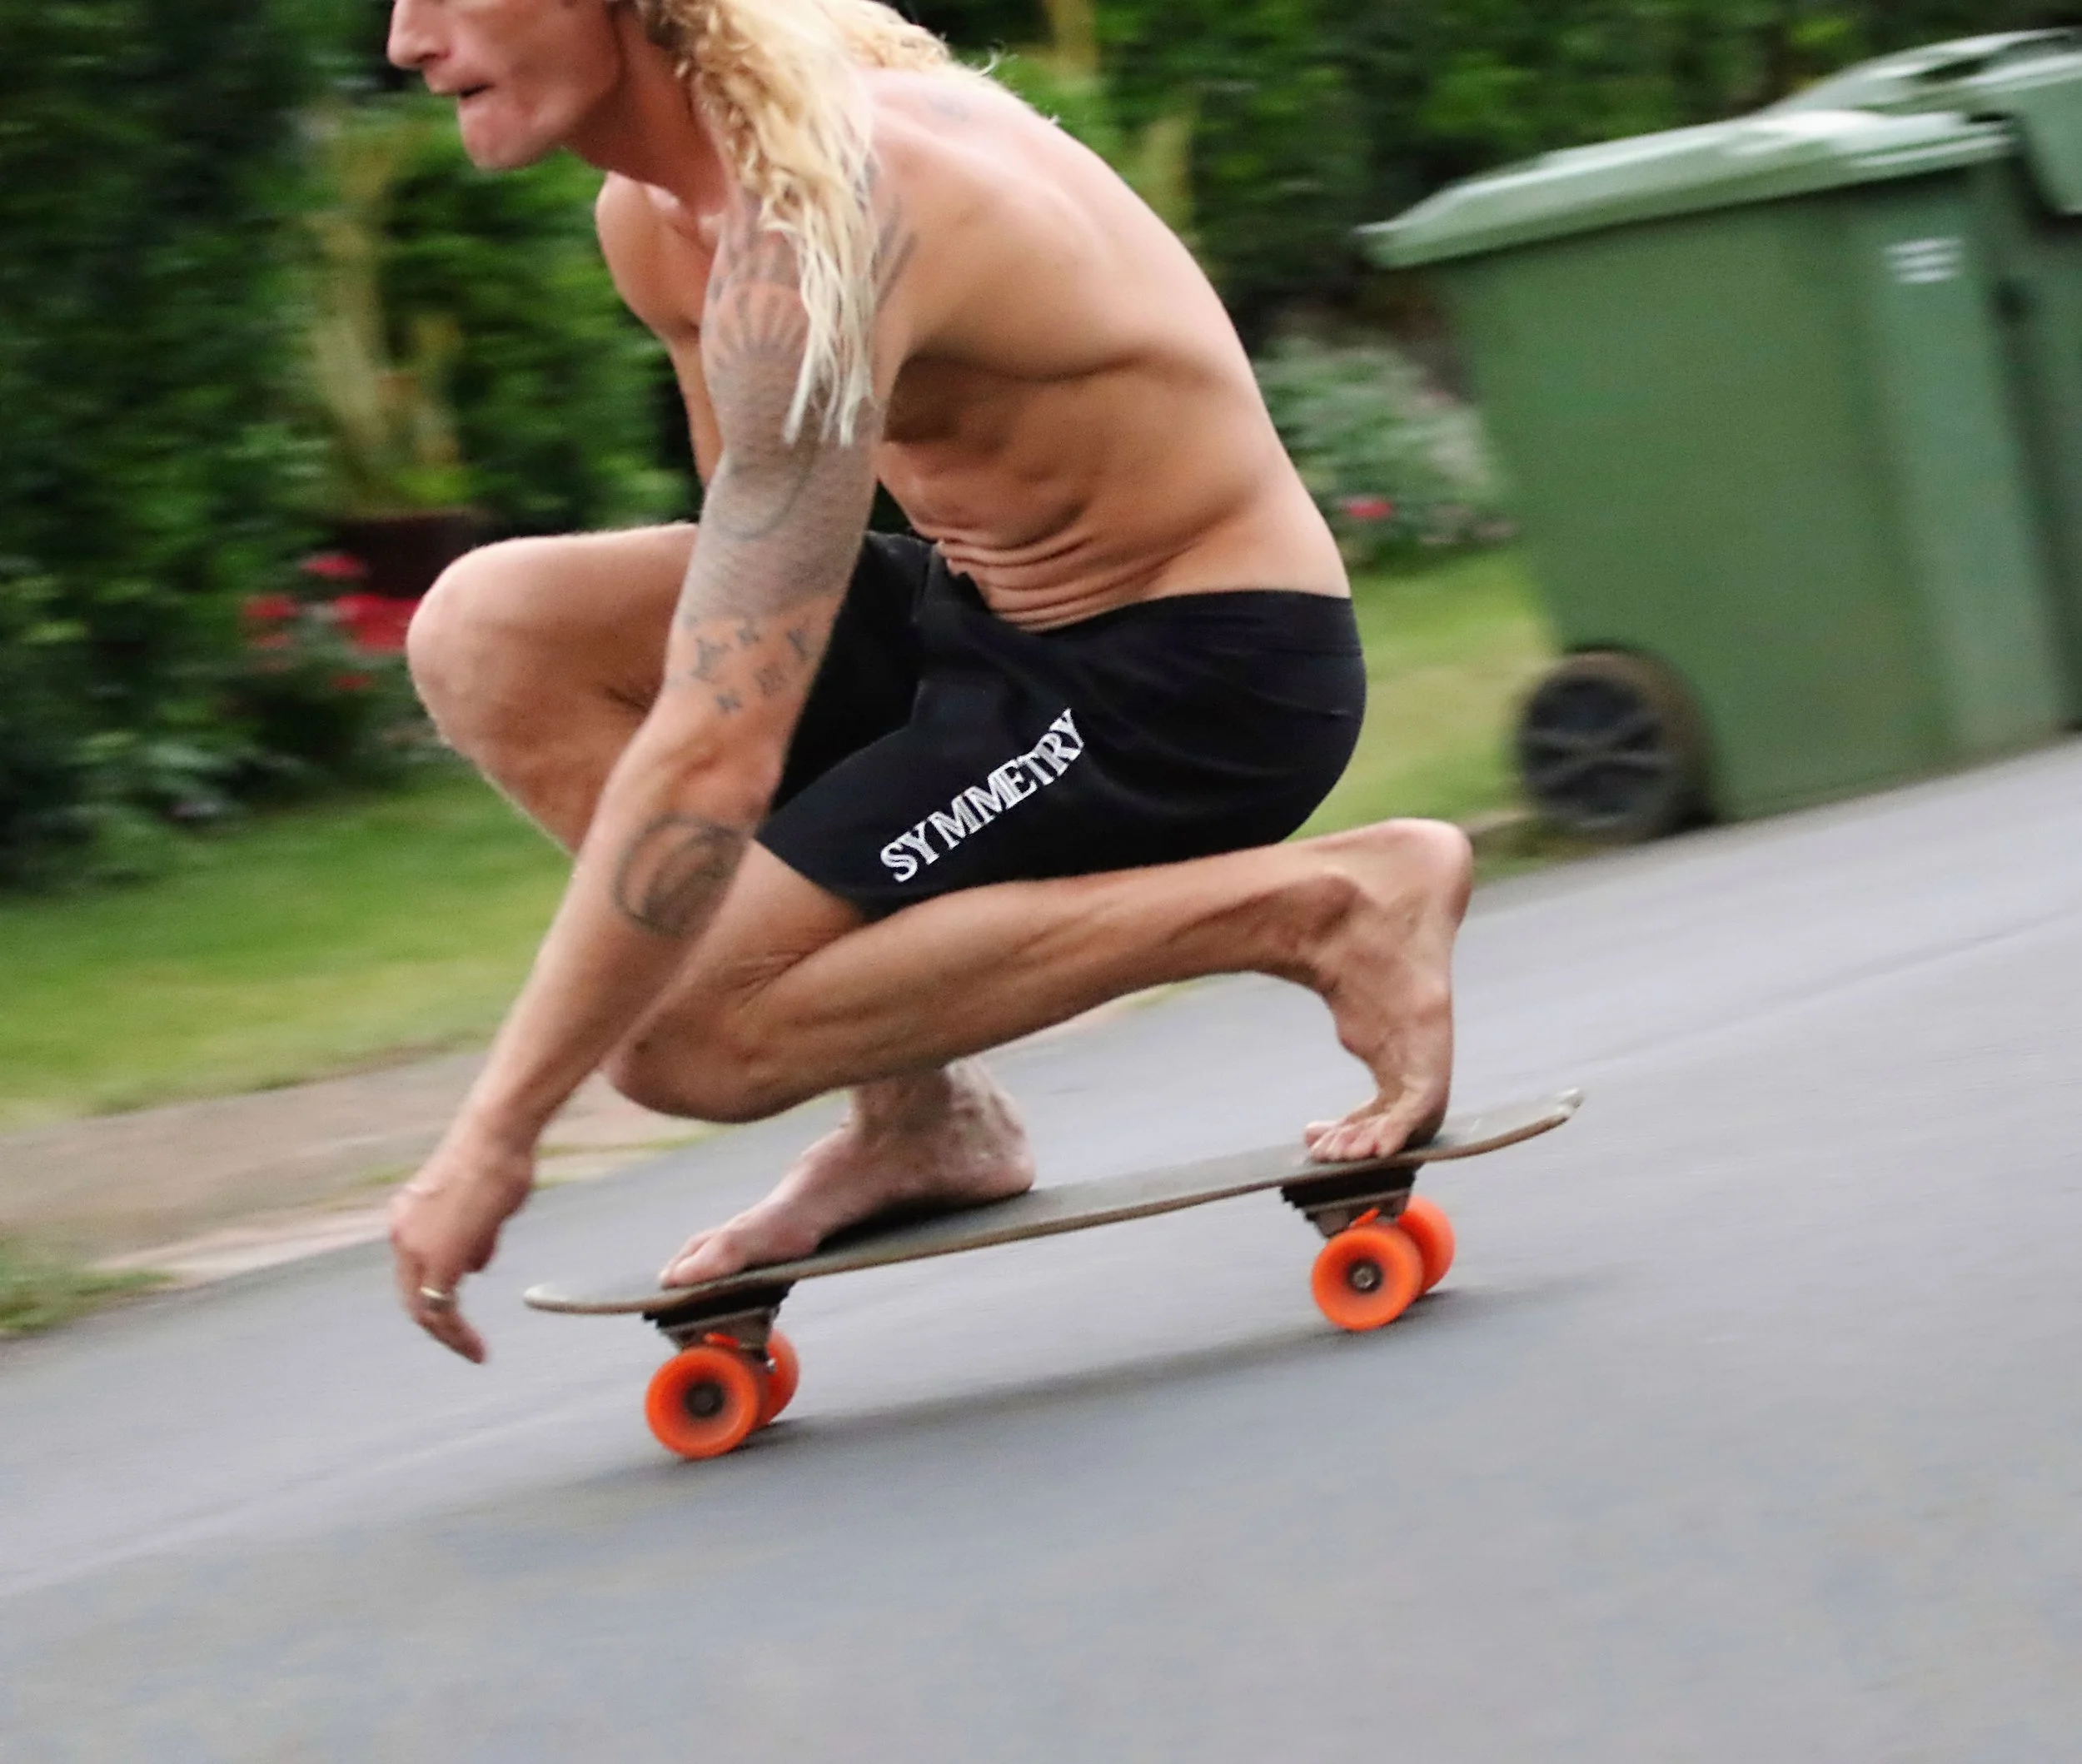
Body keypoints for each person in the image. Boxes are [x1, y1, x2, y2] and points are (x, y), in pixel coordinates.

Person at [383, 0, 1472, 1362]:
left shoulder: (820, 215)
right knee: (488, 627)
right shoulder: (657, 215)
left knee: (681, 1040)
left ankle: (1331, 905)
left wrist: (497, 1131)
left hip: (1194, 672)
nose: (405, 40)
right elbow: (756, 595)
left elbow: (720, 745)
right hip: (978, 623)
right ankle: (924, 1116)